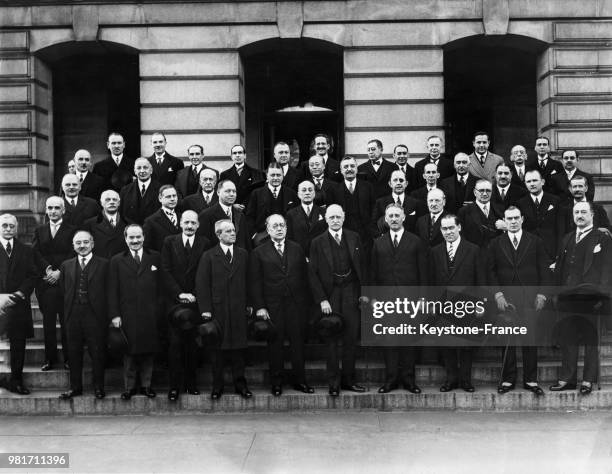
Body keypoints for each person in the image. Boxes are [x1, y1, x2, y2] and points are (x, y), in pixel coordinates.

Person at [488, 206, 551, 396]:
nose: (513, 221)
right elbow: (489, 271)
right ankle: (508, 379)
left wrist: (542, 294)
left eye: (516, 218)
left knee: (530, 338)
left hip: (529, 298)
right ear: (504, 221)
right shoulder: (496, 243)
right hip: (506, 299)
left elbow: (545, 270)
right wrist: (497, 294)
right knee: (507, 339)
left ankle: (531, 380)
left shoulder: (535, 241)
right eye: (509, 218)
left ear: (522, 219)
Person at [249, 214, 314, 396]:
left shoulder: (297, 249)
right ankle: (276, 383)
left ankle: (300, 381)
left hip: (296, 304)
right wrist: (260, 306)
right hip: (272, 306)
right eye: (275, 226)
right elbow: (255, 282)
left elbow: (304, 277)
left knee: (297, 344)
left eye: (282, 225)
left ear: (286, 228)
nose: (279, 228)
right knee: (275, 345)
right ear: (268, 230)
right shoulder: (259, 252)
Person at [551, 202, 612, 395]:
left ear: (592, 215)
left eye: (583, 212)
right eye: (576, 212)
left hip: (591, 298)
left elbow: (607, 269)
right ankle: (568, 379)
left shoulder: (602, 237)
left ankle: (588, 380)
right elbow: (560, 268)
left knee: (590, 340)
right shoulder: (567, 238)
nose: (579, 215)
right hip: (568, 298)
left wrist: (602, 296)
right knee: (568, 337)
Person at [308, 204, 367, 396]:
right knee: (331, 340)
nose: (335, 220)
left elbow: (362, 267)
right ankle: (333, 383)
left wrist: (363, 292)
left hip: (351, 292)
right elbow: (313, 274)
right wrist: (322, 300)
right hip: (330, 294)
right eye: (331, 217)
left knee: (350, 339)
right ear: (325, 219)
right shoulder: (317, 242)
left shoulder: (354, 237)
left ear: (344, 217)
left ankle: (349, 380)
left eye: (338, 217)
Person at [371, 204, 427, 394]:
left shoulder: (416, 241)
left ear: (404, 217)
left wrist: (422, 298)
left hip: (410, 300)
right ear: (385, 220)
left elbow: (423, 272)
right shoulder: (378, 243)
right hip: (386, 301)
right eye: (390, 216)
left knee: (408, 341)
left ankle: (409, 381)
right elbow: (374, 274)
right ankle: (391, 380)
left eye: (397, 215)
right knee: (390, 341)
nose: (394, 219)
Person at [195, 220, 252, 400]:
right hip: (217, 309)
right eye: (228, 231)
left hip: (238, 308)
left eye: (234, 230)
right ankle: (217, 386)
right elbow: (202, 284)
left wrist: (250, 304)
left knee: (239, 349)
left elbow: (251, 281)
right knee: (217, 350)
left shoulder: (243, 254)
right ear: (219, 234)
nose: (233, 234)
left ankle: (240, 384)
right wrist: (205, 309)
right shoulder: (209, 256)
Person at [430, 214, 485, 393]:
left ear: (459, 227)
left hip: (467, 304)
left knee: (467, 345)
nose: (448, 232)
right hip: (444, 304)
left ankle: (465, 380)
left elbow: (480, 279)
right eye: (444, 229)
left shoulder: (473, 249)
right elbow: (432, 281)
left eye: (451, 228)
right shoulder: (435, 251)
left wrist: (480, 304)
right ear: (440, 231)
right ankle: (451, 379)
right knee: (447, 344)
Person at [161, 211, 211, 402]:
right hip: (175, 302)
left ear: (198, 225)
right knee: (175, 346)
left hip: (196, 302)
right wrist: (179, 293)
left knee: (193, 345)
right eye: (186, 222)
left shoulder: (205, 243)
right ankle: (174, 387)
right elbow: (165, 270)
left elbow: (205, 271)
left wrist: (196, 295)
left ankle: (191, 384)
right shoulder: (169, 241)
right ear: (180, 223)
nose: (190, 226)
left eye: (193, 223)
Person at [109, 224, 161, 400]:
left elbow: (162, 287)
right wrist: (115, 315)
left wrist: (158, 310)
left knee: (148, 350)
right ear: (125, 239)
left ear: (144, 237)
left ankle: (146, 385)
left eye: (138, 237)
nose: (135, 241)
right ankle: (129, 387)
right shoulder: (117, 260)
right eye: (131, 238)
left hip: (150, 313)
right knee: (129, 352)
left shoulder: (154, 257)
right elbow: (112, 290)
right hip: (127, 314)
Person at [59, 230, 108, 400]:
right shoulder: (66, 265)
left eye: (86, 242)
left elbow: (109, 292)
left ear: (92, 244)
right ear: (73, 246)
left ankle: (98, 387)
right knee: (73, 353)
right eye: (78, 243)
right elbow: (63, 292)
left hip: (95, 315)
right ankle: (75, 387)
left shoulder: (104, 264)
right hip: (73, 315)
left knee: (97, 352)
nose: (82, 246)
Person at [32, 196, 74, 371]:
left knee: (66, 323)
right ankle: (50, 358)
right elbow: (35, 253)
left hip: (65, 283)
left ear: (63, 210)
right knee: (48, 323)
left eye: (57, 208)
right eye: (50, 208)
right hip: (46, 283)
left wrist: (59, 272)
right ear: (46, 210)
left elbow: (73, 252)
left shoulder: (72, 229)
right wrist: (48, 269)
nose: (53, 211)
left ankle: (68, 359)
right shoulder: (39, 230)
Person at [0, 214, 38, 395]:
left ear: (16, 228)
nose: (8, 229)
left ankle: (16, 380)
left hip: (18, 303)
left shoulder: (26, 250)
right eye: (4, 225)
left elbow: (32, 276)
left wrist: (17, 294)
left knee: (18, 344)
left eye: (11, 226)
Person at [329, 156, 375, 256]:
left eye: (352, 166)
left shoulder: (368, 187)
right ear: (341, 170)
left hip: (366, 235)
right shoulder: (335, 190)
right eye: (346, 167)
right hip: (344, 235)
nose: (349, 169)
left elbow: (373, 210)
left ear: (357, 169)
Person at [245, 162, 298, 243]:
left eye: (278, 175)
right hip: (262, 238)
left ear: (283, 175)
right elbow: (250, 217)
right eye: (272, 175)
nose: (275, 178)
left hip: (287, 238)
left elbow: (295, 216)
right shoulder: (256, 193)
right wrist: (254, 235)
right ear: (267, 175)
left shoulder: (291, 193)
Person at [517, 170, 560, 261]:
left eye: (535, 180)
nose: (532, 184)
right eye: (528, 181)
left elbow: (560, 227)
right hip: (529, 250)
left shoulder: (555, 200)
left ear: (542, 182)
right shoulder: (520, 203)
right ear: (525, 184)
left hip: (551, 250)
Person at [198, 179, 251, 250]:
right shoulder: (206, 215)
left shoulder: (240, 214)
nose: (232, 194)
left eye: (234, 191)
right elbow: (203, 244)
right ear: (218, 192)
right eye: (228, 191)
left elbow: (246, 241)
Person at [372, 169, 425, 237]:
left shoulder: (416, 203)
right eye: (395, 180)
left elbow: (420, 226)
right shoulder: (380, 203)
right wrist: (382, 238)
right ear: (390, 184)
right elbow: (373, 225)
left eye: (401, 180)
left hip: (410, 243)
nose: (398, 183)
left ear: (406, 183)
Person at [457, 179, 504, 248]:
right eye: (481, 190)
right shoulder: (464, 211)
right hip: (474, 254)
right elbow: (461, 236)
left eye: (488, 191)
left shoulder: (500, 209)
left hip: (496, 253)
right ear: (475, 192)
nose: (485, 194)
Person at [286, 180, 327, 258]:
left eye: (310, 190)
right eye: (304, 190)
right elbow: (289, 238)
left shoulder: (324, 212)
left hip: (320, 255)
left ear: (314, 194)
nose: (307, 193)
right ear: (298, 194)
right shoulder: (291, 214)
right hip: (299, 256)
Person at [84, 190, 128, 259]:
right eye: (108, 200)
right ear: (101, 203)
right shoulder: (89, 224)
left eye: (114, 200)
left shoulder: (129, 224)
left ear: (119, 203)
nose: (112, 202)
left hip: (121, 265)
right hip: (100, 265)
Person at [119, 157, 161, 225]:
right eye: (139, 168)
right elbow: (121, 215)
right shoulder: (125, 191)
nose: (142, 171)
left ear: (151, 170)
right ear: (135, 171)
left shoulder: (160, 189)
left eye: (145, 167)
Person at [143, 184, 181, 251]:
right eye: (168, 197)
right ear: (160, 198)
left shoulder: (182, 217)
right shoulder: (150, 221)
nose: (172, 199)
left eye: (174, 196)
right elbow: (147, 248)